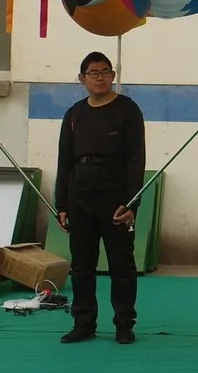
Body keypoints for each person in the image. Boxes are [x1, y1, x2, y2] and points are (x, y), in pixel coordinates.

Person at [56, 52, 146, 345]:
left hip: (115, 200)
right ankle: (83, 322)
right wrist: (62, 204)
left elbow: (136, 160)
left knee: (121, 264)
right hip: (80, 197)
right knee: (81, 265)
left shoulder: (128, 110)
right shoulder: (73, 115)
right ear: (81, 79)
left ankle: (124, 324)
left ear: (113, 76)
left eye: (105, 72)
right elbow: (64, 161)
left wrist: (132, 204)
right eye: (93, 73)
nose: (100, 78)